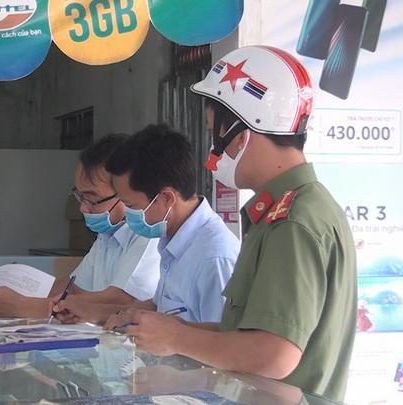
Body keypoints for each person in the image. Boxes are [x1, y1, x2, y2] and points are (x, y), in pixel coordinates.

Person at [109, 46, 356, 402]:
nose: (213, 154)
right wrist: (175, 329)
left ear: (241, 136)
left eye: (214, 136)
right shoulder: (293, 210)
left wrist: (177, 338)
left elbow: (274, 354)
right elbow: (245, 335)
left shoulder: (293, 220)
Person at [54, 125, 239, 324]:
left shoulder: (214, 257)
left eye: (131, 206)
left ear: (167, 198)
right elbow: (159, 306)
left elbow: (223, 336)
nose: (127, 216)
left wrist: (168, 333)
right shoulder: (173, 240)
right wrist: (103, 314)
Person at [0, 135, 161, 318]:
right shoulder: (107, 236)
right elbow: (72, 289)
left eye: (92, 198)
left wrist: (27, 306)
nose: (83, 208)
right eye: (80, 196)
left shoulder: (147, 234)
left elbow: (120, 299)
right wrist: (5, 291)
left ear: (125, 193)